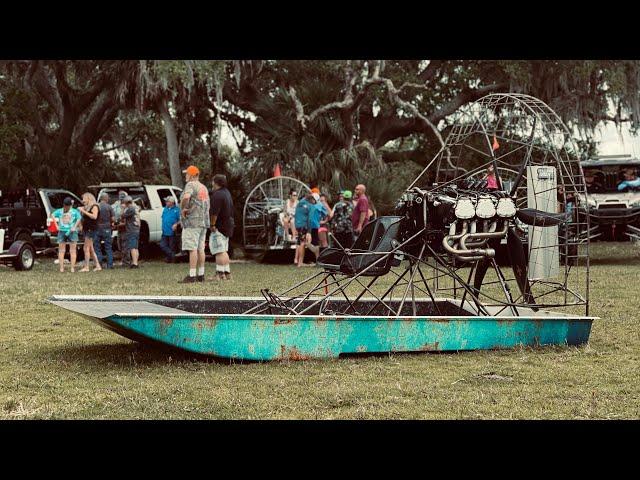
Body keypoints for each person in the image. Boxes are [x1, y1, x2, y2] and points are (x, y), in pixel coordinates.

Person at [179, 165, 210, 283]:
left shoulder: (191, 185)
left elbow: (186, 197)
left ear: (192, 175)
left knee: (192, 249)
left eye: (187, 174)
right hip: (203, 222)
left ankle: (191, 275)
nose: (185, 176)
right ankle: (201, 274)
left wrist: (183, 208)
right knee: (200, 249)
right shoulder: (204, 187)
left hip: (192, 222)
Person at [209, 174, 235, 280]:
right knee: (224, 250)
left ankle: (220, 274)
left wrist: (212, 224)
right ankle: (227, 273)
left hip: (220, 226)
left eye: (213, 182)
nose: (212, 184)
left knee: (219, 251)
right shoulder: (227, 193)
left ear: (216, 183)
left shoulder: (217, 195)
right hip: (228, 225)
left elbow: (214, 213)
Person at [51, 197, 82, 273]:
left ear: (70, 205)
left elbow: (79, 218)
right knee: (61, 250)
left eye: (68, 206)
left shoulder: (74, 211)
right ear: (64, 205)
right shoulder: (60, 211)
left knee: (73, 250)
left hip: (72, 232)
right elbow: (52, 215)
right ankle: (61, 268)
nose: (66, 208)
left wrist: (74, 227)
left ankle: (72, 268)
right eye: (65, 206)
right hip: (62, 231)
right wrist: (57, 225)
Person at [294, 192, 319, 267]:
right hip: (304, 226)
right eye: (315, 202)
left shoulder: (300, 203)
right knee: (302, 243)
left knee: (300, 243)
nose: (315, 204)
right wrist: (309, 232)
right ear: (313, 199)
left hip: (297, 225)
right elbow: (310, 219)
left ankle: (299, 262)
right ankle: (300, 263)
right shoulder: (312, 206)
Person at [78, 192, 102, 272]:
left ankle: (86, 267)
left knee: (86, 248)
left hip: (91, 229)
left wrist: (83, 211)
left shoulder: (95, 206)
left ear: (89, 198)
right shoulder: (87, 207)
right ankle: (98, 266)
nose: (82, 200)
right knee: (91, 249)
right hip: (87, 229)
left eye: (84, 198)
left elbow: (94, 216)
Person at [95, 192, 115, 269]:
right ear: (106, 198)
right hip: (107, 229)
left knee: (97, 247)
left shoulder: (96, 206)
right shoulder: (109, 207)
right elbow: (113, 219)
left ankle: (99, 264)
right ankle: (110, 265)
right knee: (108, 247)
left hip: (97, 229)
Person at [119, 195, 140, 268]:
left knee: (132, 247)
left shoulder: (130, 209)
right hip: (136, 229)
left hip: (131, 230)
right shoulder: (135, 208)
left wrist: (122, 209)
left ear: (126, 202)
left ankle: (134, 263)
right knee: (136, 247)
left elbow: (122, 216)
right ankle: (136, 261)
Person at [159, 196, 180, 263]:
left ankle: (171, 259)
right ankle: (173, 256)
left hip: (172, 231)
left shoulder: (177, 210)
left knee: (172, 246)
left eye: (167, 201)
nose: (166, 202)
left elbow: (181, 220)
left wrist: (176, 224)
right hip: (164, 231)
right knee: (162, 245)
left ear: (171, 202)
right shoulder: (165, 209)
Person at [309, 192, 327, 256]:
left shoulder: (319, 206)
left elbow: (327, 214)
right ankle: (316, 258)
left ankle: (317, 258)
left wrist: (324, 221)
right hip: (309, 226)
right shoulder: (310, 206)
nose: (311, 200)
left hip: (315, 226)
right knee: (312, 242)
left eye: (312, 199)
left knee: (315, 242)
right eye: (311, 199)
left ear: (315, 199)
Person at [112, 190, 127, 260]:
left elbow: (138, 208)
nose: (121, 197)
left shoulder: (129, 204)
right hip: (119, 228)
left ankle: (126, 261)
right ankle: (124, 260)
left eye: (123, 196)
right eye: (120, 195)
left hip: (126, 229)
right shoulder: (116, 204)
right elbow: (111, 209)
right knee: (120, 245)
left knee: (125, 245)